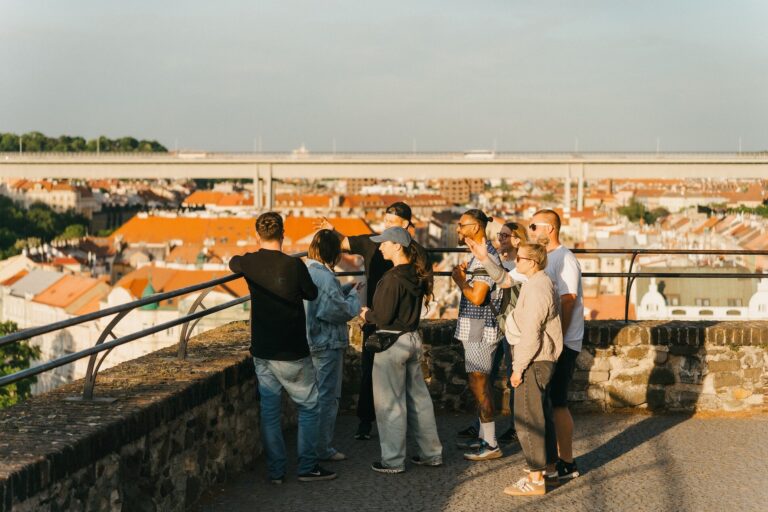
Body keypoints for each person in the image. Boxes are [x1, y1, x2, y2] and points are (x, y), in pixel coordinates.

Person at [229, 212, 336, 484]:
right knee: (310, 406)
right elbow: (311, 294)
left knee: (269, 411)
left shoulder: (249, 262)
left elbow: (233, 263)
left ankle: (276, 471)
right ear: (283, 234)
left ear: (257, 235)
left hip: (263, 350)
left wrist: (246, 261)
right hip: (292, 349)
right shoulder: (294, 265)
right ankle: (307, 466)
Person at [317, 202, 427, 441]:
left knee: (400, 378)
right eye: (385, 220)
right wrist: (332, 230)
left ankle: (396, 431)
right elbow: (344, 243)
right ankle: (366, 421)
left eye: (391, 223)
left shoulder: (415, 251)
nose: (385, 226)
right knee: (369, 370)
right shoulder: (372, 242)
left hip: (394, 320)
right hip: (378, 319)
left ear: (405, 226)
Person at [359, 227, 443, 474]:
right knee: (420, 401)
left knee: (390, 405)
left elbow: (383, 317)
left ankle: (393, 460)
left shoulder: (393, 278)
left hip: (391, 343)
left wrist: (367, 314)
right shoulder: (415, 274)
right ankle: (432, 454)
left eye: (383, 243)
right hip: (411, 339)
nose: (380, 247)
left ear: (397, 245)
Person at [456, 221, 529, 444]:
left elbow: (486, 292)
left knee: (506, 377)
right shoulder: (497, 258)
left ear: (518, 239)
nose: (501, 239)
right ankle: (483, 429)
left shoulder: (520, 266)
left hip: (509, 325)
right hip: (500, 322)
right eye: (500, 235)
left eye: (506, 236)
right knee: (487, 378)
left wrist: (460, 280)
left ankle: (507, 431)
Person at [528, 209, 584, 481]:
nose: (530, 231)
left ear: (549, 229)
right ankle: (557, 460)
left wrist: (558, 340)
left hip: (562, 341)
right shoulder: (548, 258)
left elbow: (569, 300)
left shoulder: (565, 259)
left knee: (557, 401)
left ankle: (566, 462)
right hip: (551, 341)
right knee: (550, 401)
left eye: (533, 226)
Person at [450, 209, 504, 461]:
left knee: (480, 384)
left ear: (476, 227)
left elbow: (478, 296)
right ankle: (485, 437)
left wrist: (460, 280)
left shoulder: (486, 256)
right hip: (474, 325)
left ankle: (491, 443)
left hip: (480, 327)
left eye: (462, 225)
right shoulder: (477, 255)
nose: (458, 229)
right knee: (477, 383)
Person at [304, 229, 361, 462]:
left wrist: (346, 289)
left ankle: (311, 446)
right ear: (334, 253)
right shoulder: (326, 277)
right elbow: (338, 311)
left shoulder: (309, 271)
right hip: (326, 342)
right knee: (327, 397)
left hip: (311, 340)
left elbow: (326, 300)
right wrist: (355, 296)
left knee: (312, 397)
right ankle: (321, 449)